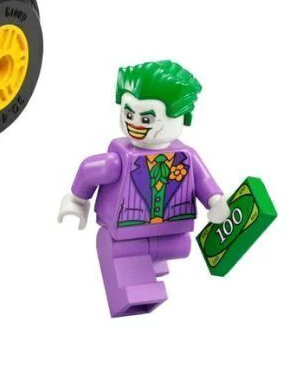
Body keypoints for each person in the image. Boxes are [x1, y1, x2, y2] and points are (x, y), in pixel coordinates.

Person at [58, 60, 229, 317]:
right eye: (128, 114)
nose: (136, 124)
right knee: (131, 268)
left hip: (173, 234)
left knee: (174, 250)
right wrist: (76, 200)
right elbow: (89, 170)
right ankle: (138, 289)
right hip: (126, 237)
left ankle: (152, 267)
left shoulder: (186, 157)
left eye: (147, 118)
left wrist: (216, 201)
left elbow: (204, 182)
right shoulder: (119, 159)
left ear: (181, 117)